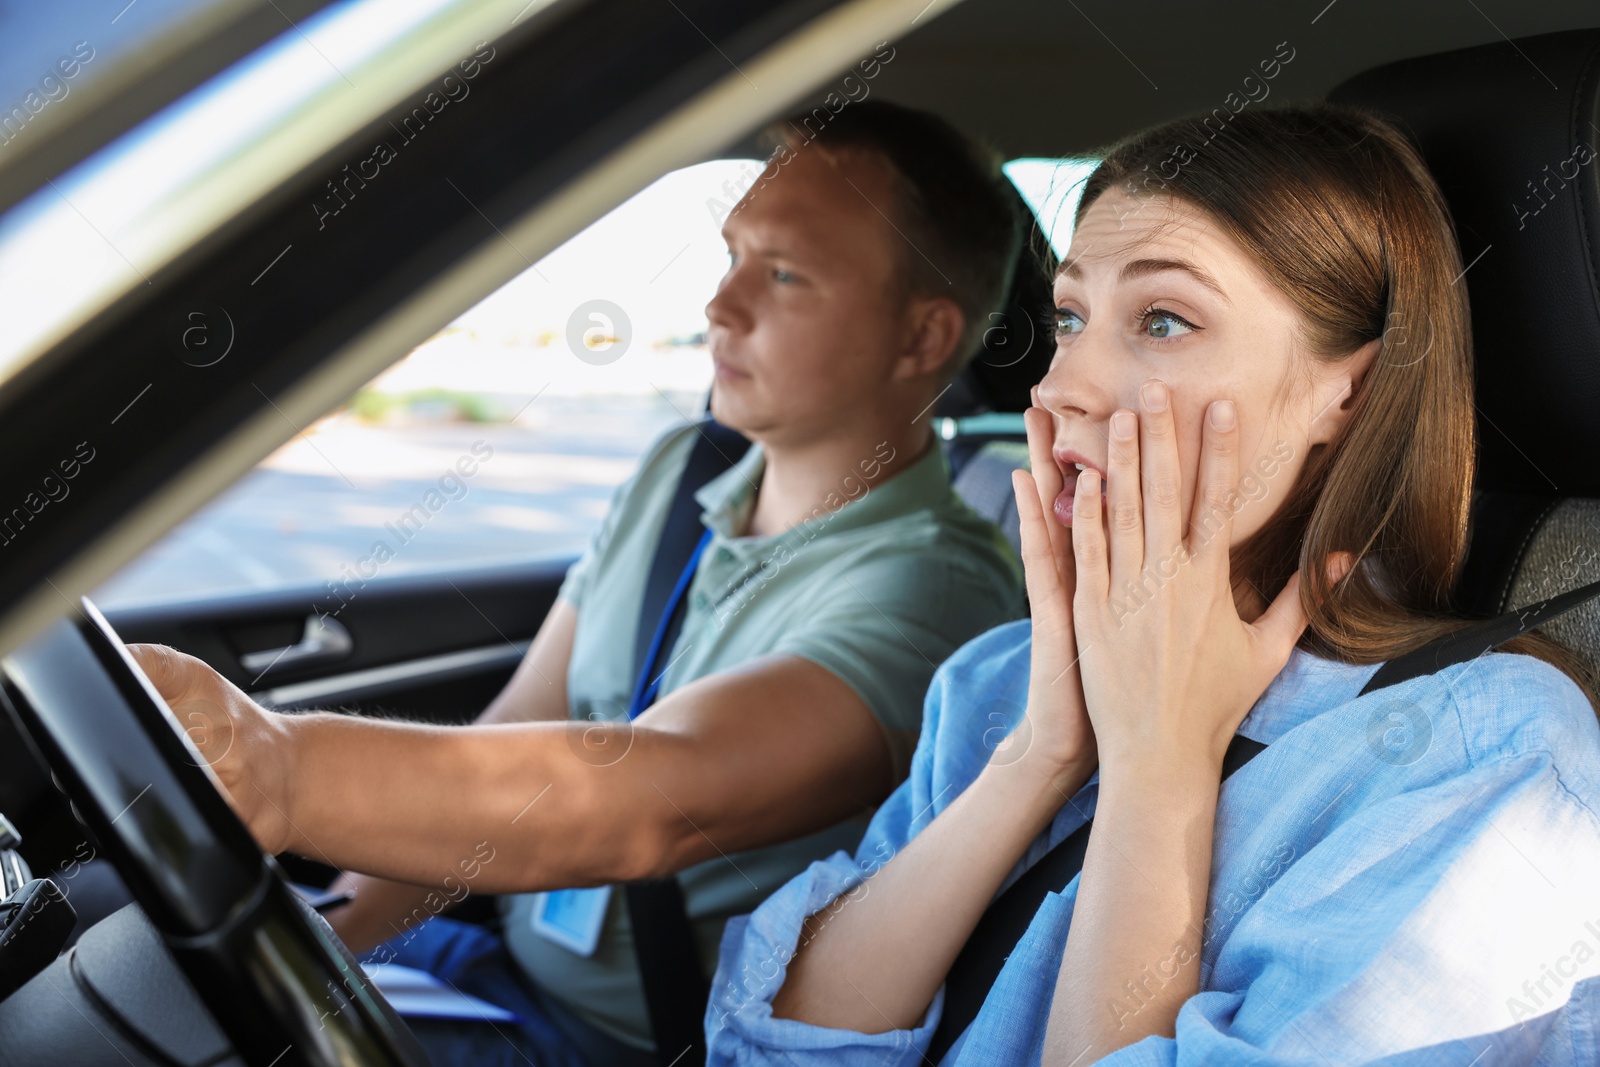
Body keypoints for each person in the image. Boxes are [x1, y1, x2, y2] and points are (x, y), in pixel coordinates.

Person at [127, 100, 1028, 1066]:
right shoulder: (681, 472)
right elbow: (516, 724)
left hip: (633, 1042)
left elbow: (650, 800)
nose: (721, 306)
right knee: (145, 962)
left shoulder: (936, 593)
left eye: (785, 273)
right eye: (732, 257)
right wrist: (332, 942)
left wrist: (275, 765)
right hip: (496, 966)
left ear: (922, 339)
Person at [706, 104, 1600, 1065]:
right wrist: (1040, 758)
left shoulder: (1487, 758)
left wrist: (1157, 768)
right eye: (1070, 318)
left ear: (1354, 392)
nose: (1058, 388)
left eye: (1163, 320)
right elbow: (768, 1045)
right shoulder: (1002, 679)